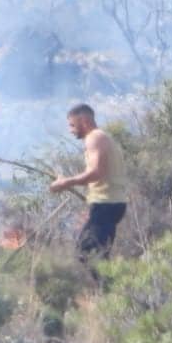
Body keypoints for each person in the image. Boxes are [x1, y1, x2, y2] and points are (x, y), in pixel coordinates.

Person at [50, 103, 130, 269]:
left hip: (107, 205)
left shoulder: (94, 138)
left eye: (72, 125)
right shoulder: (100, 138)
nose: (71, 130)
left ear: (84, 121)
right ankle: (110, 283)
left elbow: (96, 172)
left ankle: (112, 284)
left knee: (88, 252)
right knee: (96, 253)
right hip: (109, 205)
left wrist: (66, 183)